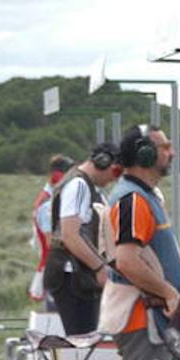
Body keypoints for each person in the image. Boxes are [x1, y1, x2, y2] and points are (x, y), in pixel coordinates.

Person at [98, 124, 180, 360]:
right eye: (165, 147)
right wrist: (170, 293)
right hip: (143, 321)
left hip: (154, 320)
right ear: (145, 154)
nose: (172, 153)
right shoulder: (133, 200)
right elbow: (127, 261)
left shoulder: (143, 196)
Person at [44, 142, 120, 335]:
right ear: (103, 163)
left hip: (76, 274)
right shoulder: (78, 185)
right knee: (81, 343)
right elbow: (70, 235)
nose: (115, 178)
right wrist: (100, 267)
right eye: (115, 170)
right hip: (72, 276)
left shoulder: (81, 184)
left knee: (82, 340)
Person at [30, 154, 75, 311]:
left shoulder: (48, 198)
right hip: (56, 267)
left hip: (54, 265)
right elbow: (51, 242)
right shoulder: (48, 204)